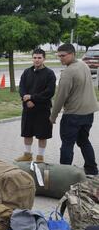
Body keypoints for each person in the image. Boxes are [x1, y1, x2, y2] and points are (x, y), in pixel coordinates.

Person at [50, 43, 99, 175]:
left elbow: (60, 97)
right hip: (89, 113)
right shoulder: (83, 65)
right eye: (58, 56)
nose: (60, 58)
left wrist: (53, 116)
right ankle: (92, 169)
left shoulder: (68, 72)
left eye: (63, 56)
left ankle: (64, 174)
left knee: (67, 144)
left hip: (73, 115)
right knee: (84, 141)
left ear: (72, 54)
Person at [15, 48, 56, 163]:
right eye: (35, 57)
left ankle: (40, 157)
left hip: (43, 109)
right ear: (32, 58)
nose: (37, 60)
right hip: (28, 109)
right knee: (27, 132)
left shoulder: (49, 74)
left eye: (39, 58)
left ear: (44, 59)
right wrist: (26, 100)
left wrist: (33, 98)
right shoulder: (27, 72)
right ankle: (27, 155)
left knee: (42, 135)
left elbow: (50, 92)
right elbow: (22, 88)